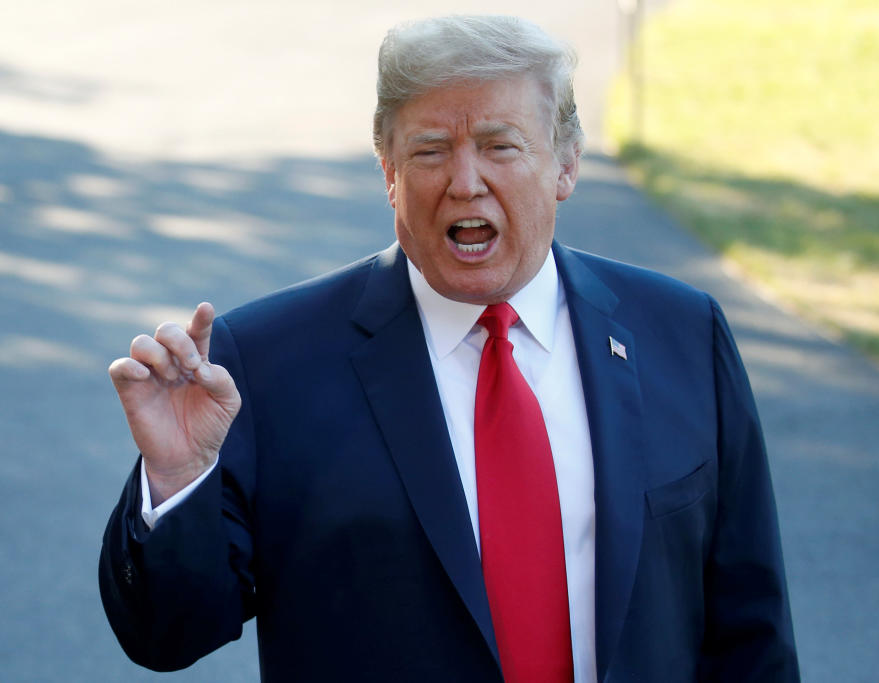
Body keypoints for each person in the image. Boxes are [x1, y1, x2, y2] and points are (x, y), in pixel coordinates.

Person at [100, 15, 800, 683]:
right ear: (389, 173)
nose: (464, 181)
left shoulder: (682, 333)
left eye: (500, 145)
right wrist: (177, 480)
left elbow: (750, 633)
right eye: (430, 150)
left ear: (566, 164)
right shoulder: (265, 363)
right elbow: (169, 634)